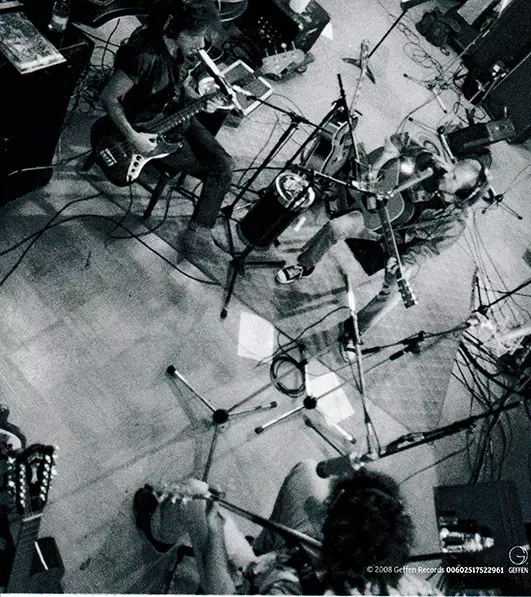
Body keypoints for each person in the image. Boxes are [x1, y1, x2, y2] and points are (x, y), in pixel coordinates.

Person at [275, 133, 489, 357]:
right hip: (375, 219)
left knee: (393, 294)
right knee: (336, 227)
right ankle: (305, 265)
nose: (446, 173)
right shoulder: (432, 166)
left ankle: (354, 331)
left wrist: (405, 262)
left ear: (462, 196)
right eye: (453, 167)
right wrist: (387, 154)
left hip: (400, 246)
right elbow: (403, 139)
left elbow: (430, 248)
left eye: (454, 178)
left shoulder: (455, 222)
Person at [133, 461, 442, 595]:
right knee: (308, 472)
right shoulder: (415, 589)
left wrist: (214, 529)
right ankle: (263, 548)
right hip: (298, 565)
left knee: (195, 495)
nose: (322, 508)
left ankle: (158, 531)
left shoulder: (288, 588)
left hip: (259, 582)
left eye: (328, 512)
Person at [100, 0, 234, 247]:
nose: (201, 44)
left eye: (203, 35)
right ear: (174, 29)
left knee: (225, 164)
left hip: (176, 116)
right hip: (143, 129)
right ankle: (198, 235)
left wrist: (201, 101)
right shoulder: (143, 54)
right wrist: (133, 137)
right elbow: (109, 97)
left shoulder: (183, 53)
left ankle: (198, 230)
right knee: (214, 171)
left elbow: (178, 88)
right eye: (194, 36)